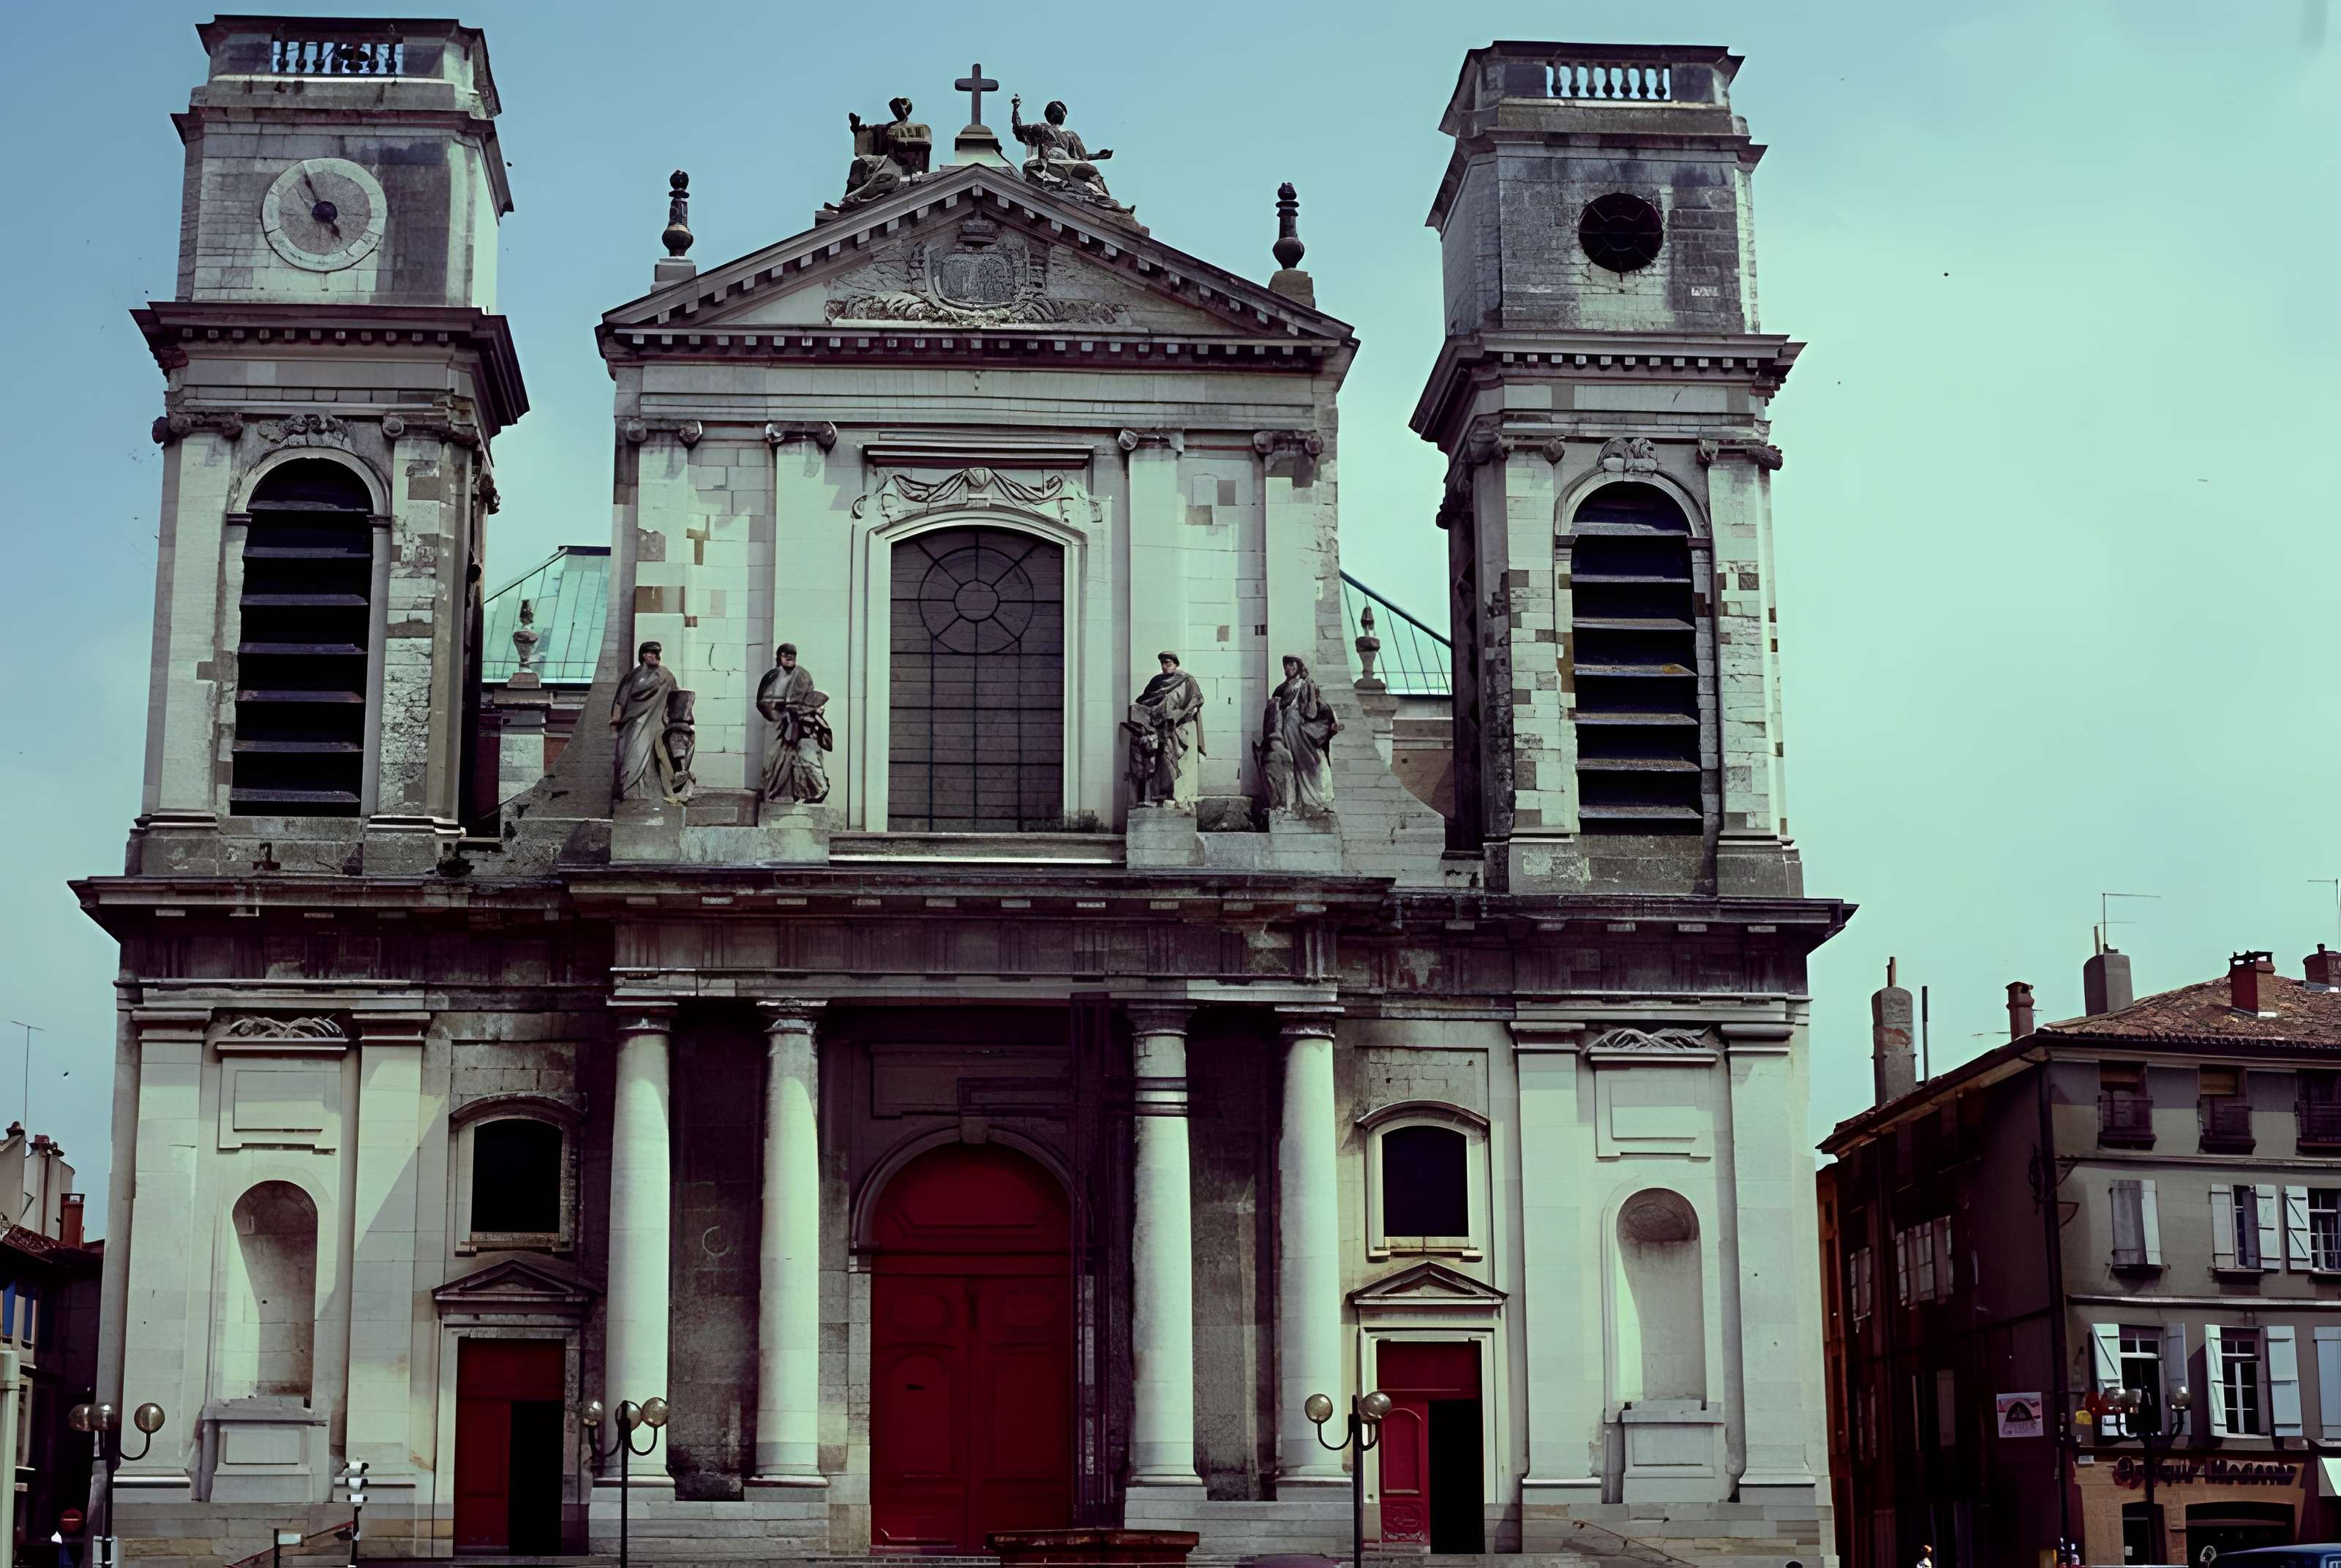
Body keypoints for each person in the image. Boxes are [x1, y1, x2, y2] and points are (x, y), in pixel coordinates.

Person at [1009, 96, 1130, 212]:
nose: (1062, 116)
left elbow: (1080, 158)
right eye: (1059, 113)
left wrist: (1098, 156)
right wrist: (1015, 109)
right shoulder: (1041, 128)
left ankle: (1103, 199)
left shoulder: (1070, 136)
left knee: (1091, 170)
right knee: (1086, 169)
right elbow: (1018, 130)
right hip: (1050, 162)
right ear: (1051, 115)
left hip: (1067, 163)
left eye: (1063, 114)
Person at [1259, 654, 1339, 816]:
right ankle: (1296, 802)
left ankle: (1317, 801)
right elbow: (1273, 713)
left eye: (1292, 665)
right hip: (1286, 730)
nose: (1288, 668)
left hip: (1302, 730)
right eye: (1286, 665)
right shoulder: (1281, 689)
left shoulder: (1306, 685)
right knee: (1292, 765)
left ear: (1299, 666)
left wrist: (1330, 723)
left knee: (1311, 762)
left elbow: (1318, 707)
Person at [756, 643, 833, 804]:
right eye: (786, 655)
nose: (790, 658)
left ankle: (809, 791)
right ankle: (775, 794)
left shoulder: (802, 675)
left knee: (803, 759)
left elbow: (808, 698)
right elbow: (763, 702)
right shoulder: (772, 675)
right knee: (774, 763)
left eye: (792, 655)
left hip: (798, 727)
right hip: (779, 726)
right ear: (779, 657)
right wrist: (779, 711)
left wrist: (806, 708)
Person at [1124, 652, 1204, 807]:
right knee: (1135, 713)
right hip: (1156, 722)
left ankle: (1172, 795)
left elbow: (1196, 700)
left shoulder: (1187, 680)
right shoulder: (1157, 681)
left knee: (1169, 754)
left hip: (1176, 723)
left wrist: (1176, 715)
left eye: (1168, 663)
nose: (1165, 666)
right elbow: (1145, 700)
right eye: (1163, 663)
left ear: (1175, 664)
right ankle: (1152, 795)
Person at [609, 641, 679, 804]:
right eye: (651, 653)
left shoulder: (666, 677)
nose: (656, 656)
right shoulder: (631, 677)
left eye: (657, 653)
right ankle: (630, 792)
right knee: (633, 756)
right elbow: (620, 703)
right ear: (643, 655)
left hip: (656, 725)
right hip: (633, 725)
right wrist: (615, 724)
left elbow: (676, 700)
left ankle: (652, 794)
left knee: (657, 759)